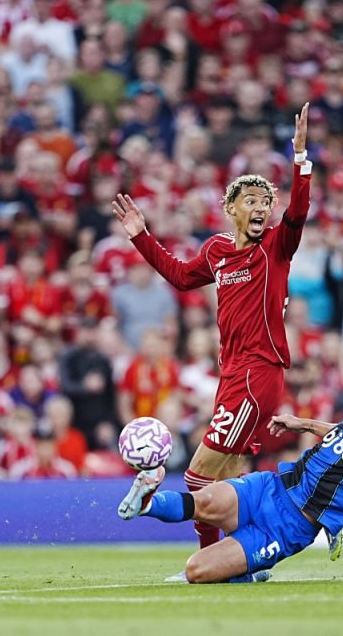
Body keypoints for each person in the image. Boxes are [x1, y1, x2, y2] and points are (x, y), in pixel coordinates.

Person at [111, 104, 313, 550]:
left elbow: (298, 212)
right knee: (224, 479)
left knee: (198, 475)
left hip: (258, 371)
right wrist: (141, 236)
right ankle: (242, 553)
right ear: (232, 211)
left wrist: (300, 158)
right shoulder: (219, 249)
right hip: (232, 373)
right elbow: (182, 277)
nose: (262, 208)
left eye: (266, 202)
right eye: (252, 202)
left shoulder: (277, 247)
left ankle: (211, 560)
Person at [117, 368, 343, 583]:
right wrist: (302, 423)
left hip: (290, 526)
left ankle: (242, 573)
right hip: (270, 486)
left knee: (196, 571)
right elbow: (338, 430)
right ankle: (144, 503)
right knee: (204, 500)